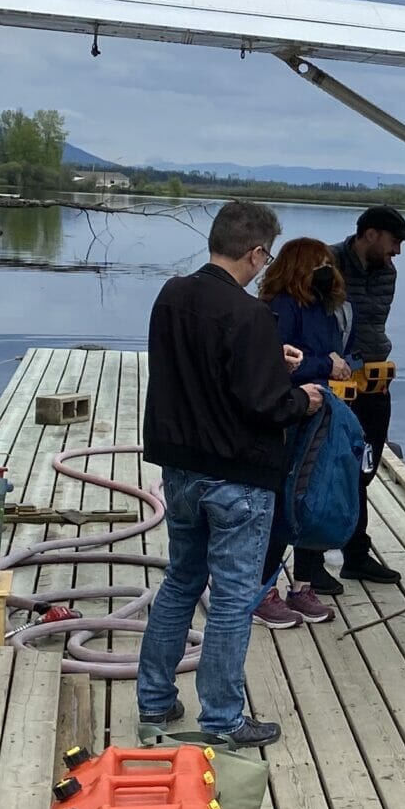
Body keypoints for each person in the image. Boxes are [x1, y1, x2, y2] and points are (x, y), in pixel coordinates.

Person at [136, 199, 323, 747]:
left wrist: (268, 356)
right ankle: (222, 719)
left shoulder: (171, 296)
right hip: (237, 479)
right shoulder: (250, 314)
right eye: (267, 257)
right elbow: (267, 405)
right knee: (235, 598)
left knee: (180, 581)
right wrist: (305, 398)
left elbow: (207, 366)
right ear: (257, 253)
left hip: (180, 469)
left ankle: (154, 702)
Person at [254, 237, 353, 626]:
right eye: (318, 264)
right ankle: (263, 590)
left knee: (315, 497)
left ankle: (304, 584)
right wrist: (325, 365)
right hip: (290, 414)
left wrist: (341, 364)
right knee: (283, 500)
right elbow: (278, 360)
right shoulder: (282, 306)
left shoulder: (325, 308)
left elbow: (334, 354)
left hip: (319, 414)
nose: (326, 271)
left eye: (329, 263)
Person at [329, 203, 405, 585]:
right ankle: (311, 563)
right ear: (370, 235)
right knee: (325, 469)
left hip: (374, 385)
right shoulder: (327, 263)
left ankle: (355, 555)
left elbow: (370, 325)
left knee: (364, 469)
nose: (397, 251)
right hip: (335, 385)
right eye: (394, 241)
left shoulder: (387, 273)